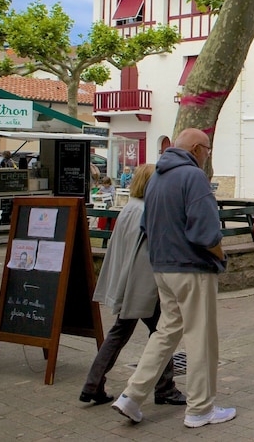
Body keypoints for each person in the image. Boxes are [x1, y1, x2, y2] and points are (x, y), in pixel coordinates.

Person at [111, 128, 233, 429]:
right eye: (207, 149)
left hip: (162, 267)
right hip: (192, 267)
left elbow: (145, 225)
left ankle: (132, 395)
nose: (208, 155)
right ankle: (201, 409)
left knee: (166, 332)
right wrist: (220, 256)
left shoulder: (156, 178)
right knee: (201, 337)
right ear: (195, 148)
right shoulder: (193, 178)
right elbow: (206, 232)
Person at [82, 164, 185, 407]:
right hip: (146, 284)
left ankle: (93, 383)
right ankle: (165, 388)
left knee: (122, 333)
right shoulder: (148, 210)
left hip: (131, 282)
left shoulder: (130, 208)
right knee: (163, 332)